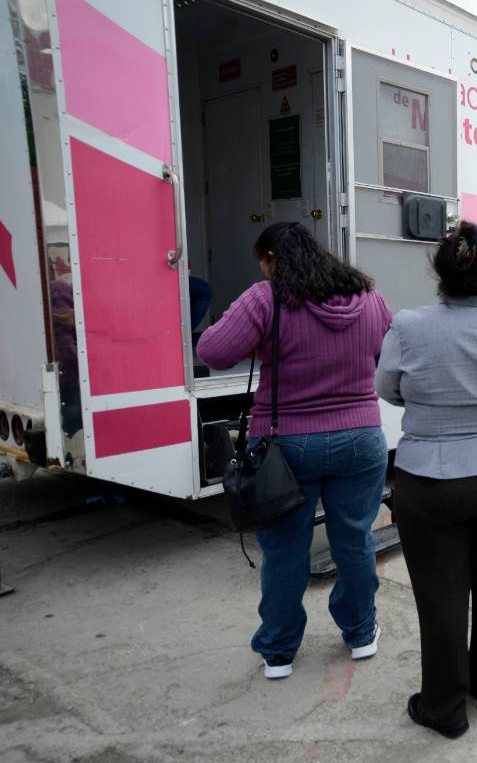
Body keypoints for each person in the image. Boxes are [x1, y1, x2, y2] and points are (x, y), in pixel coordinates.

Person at [196, 222, 392, 680]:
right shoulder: (370, 298)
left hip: (287, 446)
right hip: (361, 439)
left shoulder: (265, 298)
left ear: (269, 259)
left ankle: (279, 652)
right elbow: (389, 357)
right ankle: (362, 633)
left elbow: (213, 352)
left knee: (285, 551)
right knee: (355, 541)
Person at [375, 221, 477, 738]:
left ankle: (444, 708)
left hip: (431, 480)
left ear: (442, 280)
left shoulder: (408, 326)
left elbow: (390, 389)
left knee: (442, 597)